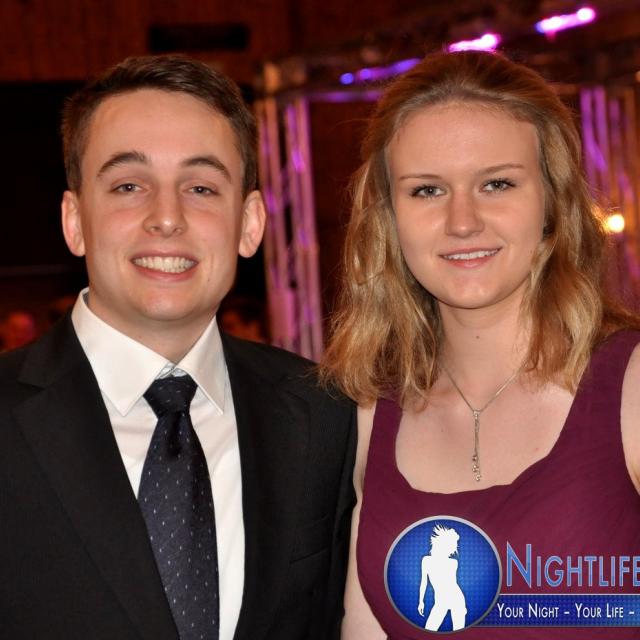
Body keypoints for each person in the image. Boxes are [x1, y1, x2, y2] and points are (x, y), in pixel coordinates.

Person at [0, 55, 355, 640]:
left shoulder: (327, 416)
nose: (166, 218)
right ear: (74, 220)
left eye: (200, 188)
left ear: (250, 223)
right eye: (128, 186)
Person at [322, 50, 640, 638]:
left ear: (552, 201)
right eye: (426, 190)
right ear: (388, 217)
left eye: (497, 184)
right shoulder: (369, 415)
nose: (462, 221)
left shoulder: (631, 389)